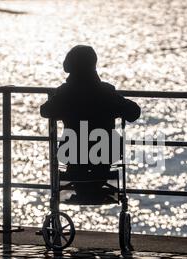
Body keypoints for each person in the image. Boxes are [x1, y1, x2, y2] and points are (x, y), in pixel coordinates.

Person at [40, 45, 141, 202]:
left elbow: (45, 111)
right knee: (103, 153)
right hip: (103, 154)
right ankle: (94, 189)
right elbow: (134, 112)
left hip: (73, 153)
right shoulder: (106, 91)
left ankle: (82, 189)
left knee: (76, 156)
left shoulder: (65, 93)